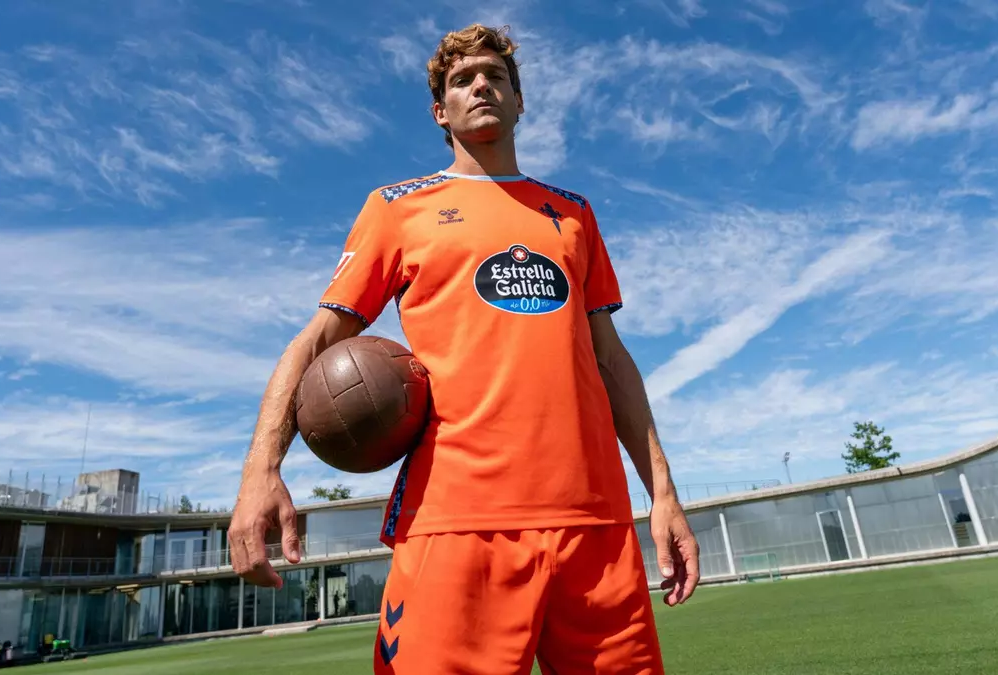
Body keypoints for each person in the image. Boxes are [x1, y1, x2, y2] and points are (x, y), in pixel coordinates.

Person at [229, 22, 700, 674]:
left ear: (519, 100)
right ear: (439, 111)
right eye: (462, 80)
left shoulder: (573, 215)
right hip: (456, 523)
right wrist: (260, 471)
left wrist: (663, 493)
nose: (481, 85)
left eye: (495, 76)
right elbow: (316, 340)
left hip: (595, 525)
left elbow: (611, 360)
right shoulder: (397, 208)